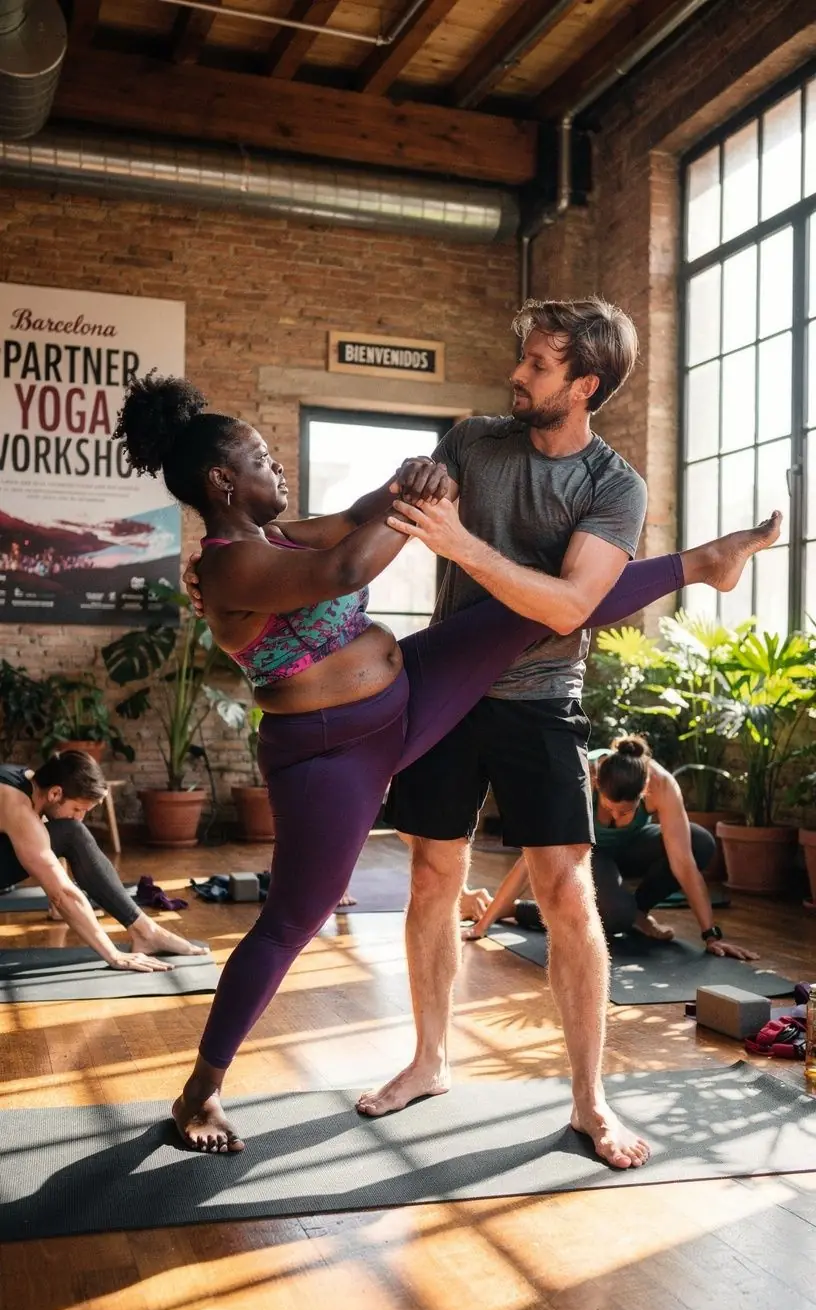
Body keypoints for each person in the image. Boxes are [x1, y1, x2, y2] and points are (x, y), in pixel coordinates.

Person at [143, 360, 777, 1157]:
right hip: (331, 757)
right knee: (293, 919)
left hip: (405, 700)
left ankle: (702, 563)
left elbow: (354, 518)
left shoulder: (277, 532)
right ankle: (199, 1089)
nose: (277, 465)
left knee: (531, 612)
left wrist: (411, 481)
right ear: (221, 482)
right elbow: (343, 569)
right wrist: (427, 506)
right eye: (262, 458)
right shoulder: (228, 564)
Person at [354, 295, 781, 1170]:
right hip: (447, 691)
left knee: (565, 894)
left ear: (584, 384)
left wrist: (462, 543)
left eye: (540, 365)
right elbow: (395, 518)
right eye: (525, 357)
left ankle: (591, 1100)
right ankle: (430, 1060)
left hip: (542, 697)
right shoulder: (473, 441)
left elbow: (570, 607)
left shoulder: (611, 486)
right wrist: (412, 484)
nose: (519, 372)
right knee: (433, 875)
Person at [464, 734, 758, 961]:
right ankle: (517, 910)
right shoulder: (578, 778)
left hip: (632, 848)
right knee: (616, 916)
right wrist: (483, 925)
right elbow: (530, 860)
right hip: (589, 854)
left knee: (699, 842)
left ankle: (638, 912)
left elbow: (684, 863)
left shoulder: (662, 785)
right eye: (609, 809)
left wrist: (711, 936)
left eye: (625, 813)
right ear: (596, 783)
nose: (615, 817)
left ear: (644, 792)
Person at [0, 750, 206, 970]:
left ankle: (146, 931)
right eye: (78, 809)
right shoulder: (16, 805)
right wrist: (113, 955)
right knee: (71, 832)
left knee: (71, 831)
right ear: (55, 793)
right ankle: (144, 932)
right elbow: (62, 894)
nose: (80, 817)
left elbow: (47, 842)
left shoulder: (31, 783)